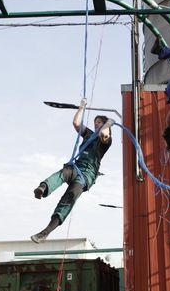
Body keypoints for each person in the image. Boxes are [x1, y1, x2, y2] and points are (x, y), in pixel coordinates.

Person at [30, 99, 112, 244]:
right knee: (63, 173)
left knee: (69, 198)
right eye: (95, 122)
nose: (96, 124)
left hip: (86, 175)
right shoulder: (88, 135)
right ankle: (43, 188)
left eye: (99, 122)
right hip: (76, 167)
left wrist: (108, 123)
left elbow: (105, 134)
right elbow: (76, 123)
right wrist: (81, 108)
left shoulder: (104, 140)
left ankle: (45, 232)